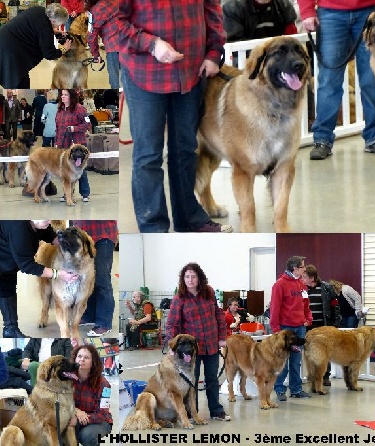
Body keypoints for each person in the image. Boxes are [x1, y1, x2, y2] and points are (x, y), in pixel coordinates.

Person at [117, 0, 232, 233]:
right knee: (148, 155)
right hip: (145, 73)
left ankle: (190, 219)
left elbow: (212, 8)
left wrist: (213, 52)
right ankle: (153, 227)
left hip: (191, 71)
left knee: (185, 150)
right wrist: (151, 44)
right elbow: (113, 24)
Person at [298, 0, 375, 160]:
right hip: (330, 12)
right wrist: (306, 10)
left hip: (371, 11)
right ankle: (322, 139)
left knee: (372, 79)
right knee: (329, 80)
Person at [165, 263, 229, 421]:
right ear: (183, 279)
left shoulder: (209, 292)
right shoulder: (179, 299)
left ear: (199, 278)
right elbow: (172, 324)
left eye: (193, 276)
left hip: (212, 344)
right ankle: (192, 412)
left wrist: (222, 337)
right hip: (190, 349)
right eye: (187, 277)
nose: (190, 280)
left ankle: (216, 410)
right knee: (191, 380)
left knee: (212, 378)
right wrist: (171, 346)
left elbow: (219, 315)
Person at [0, 220, 79, 337]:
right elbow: (28, 266)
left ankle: (10, 329)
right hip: (3, 259)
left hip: (7, 264)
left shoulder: (41, 223)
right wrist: (59, 274)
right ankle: (10, 329)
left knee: (7, 288)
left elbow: (53, 238)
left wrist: (71, 247)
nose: (49, 220)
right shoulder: (19, 228)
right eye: (45, 218)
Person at [0, 4, 71, 88]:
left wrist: (51, 31)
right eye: (59, 24)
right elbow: (49, 54)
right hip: (11, 49)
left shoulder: (39, 10)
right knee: (18, 79)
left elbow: (34, 26)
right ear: (54, 21)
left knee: (8, 73)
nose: (59, 27)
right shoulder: (45, 28)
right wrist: (64, 48)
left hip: (4, 37)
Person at [271, 255, 312, 400]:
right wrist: (276, 331)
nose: (305, 269)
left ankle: (296, 389)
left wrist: (308, 318)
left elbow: (305, 303)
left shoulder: (302, 284)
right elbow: (275, 308)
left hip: (300, 327)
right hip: (285, 328)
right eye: (303, 266)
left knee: (296, 361)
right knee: (282, 361)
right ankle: (279, 389)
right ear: (295, 268)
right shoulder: (279, 285)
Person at [70, 220, 118, 336]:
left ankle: (104, 324)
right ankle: (89, 316)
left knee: (102, 280)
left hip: (102, 235)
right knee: (86, 280)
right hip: (81, 237)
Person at [303, 264, 341, 386]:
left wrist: (335, 324)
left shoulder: (327, 288)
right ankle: (313, 376)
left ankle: (325, 376)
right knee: (310, 353)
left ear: (312, 277)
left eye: (304, 277)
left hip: (324, 326)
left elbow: (335, 306)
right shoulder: (302, 289)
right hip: (308, 327)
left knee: (325, 352)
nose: (302, 279)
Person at [69, 344, 113, 446]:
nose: (82, 360)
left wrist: (81, 419)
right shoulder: (68, 378)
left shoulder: (104, 384)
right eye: (79, 356)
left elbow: (102, 413)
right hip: (74, 416)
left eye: (86, 357)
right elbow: (62, 401)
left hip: (98, 420)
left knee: (87, 436)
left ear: (93, 362)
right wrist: (77, 411)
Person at [55, 89, 91, 203]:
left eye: (66, 95)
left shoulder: (80, 109)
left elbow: (87, 124)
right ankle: (67, 194)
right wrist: (57, 142)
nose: (63, 97)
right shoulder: (60, 110)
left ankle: (85, 193)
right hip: (63, 145)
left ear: (71, 96)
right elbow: (58, 129)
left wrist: (74, 128)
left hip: (77, 144)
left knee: (80, 169)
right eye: (62, 95)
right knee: (65, 172)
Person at [85, 0, 121, 89]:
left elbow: (91, 35)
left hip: (114, 46)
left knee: (115, 80)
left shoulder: (96, 10)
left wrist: (96, 55)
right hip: (130, 43)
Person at [223, 0, 297, 42]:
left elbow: (293, 39)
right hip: (245, 60)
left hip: (279, 59)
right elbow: (235, 45)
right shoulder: (232, 9)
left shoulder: (284, 5)